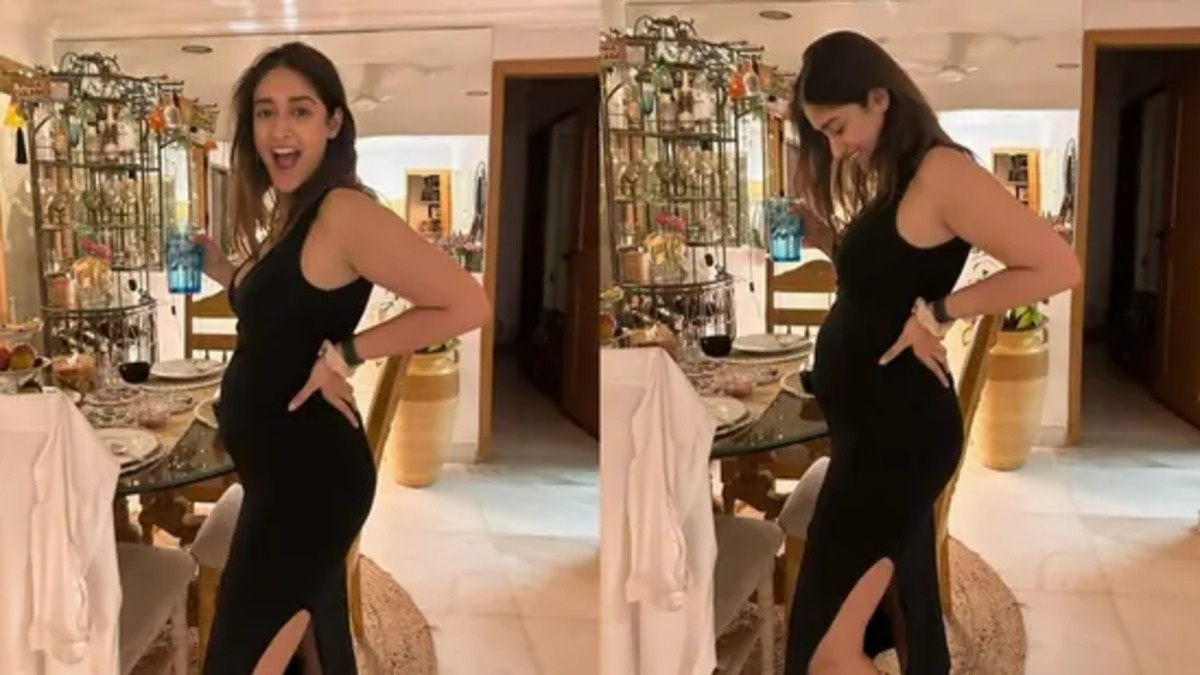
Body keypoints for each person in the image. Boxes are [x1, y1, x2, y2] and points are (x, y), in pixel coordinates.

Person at [785, 31, 1079, 674]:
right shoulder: (901, 176)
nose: (836, 148)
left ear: (879, 98)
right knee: (877, 615)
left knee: (825, 653)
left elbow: (1057, 265)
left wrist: (941, 313)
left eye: (838, 128)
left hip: (897, 440)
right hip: (872, 435)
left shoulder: (943, 171)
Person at [192, 42, 490, 674]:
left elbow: (466, 304)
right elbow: (282, 311)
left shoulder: (345, 211)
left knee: (236, 655)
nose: (279, 129)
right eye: (265, 112)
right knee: (315, 647)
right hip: (280, 473)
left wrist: (347, 352)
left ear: (332, 123)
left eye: (299, 110)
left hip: (308, 480)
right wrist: (223, 268)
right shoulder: (294, 211)